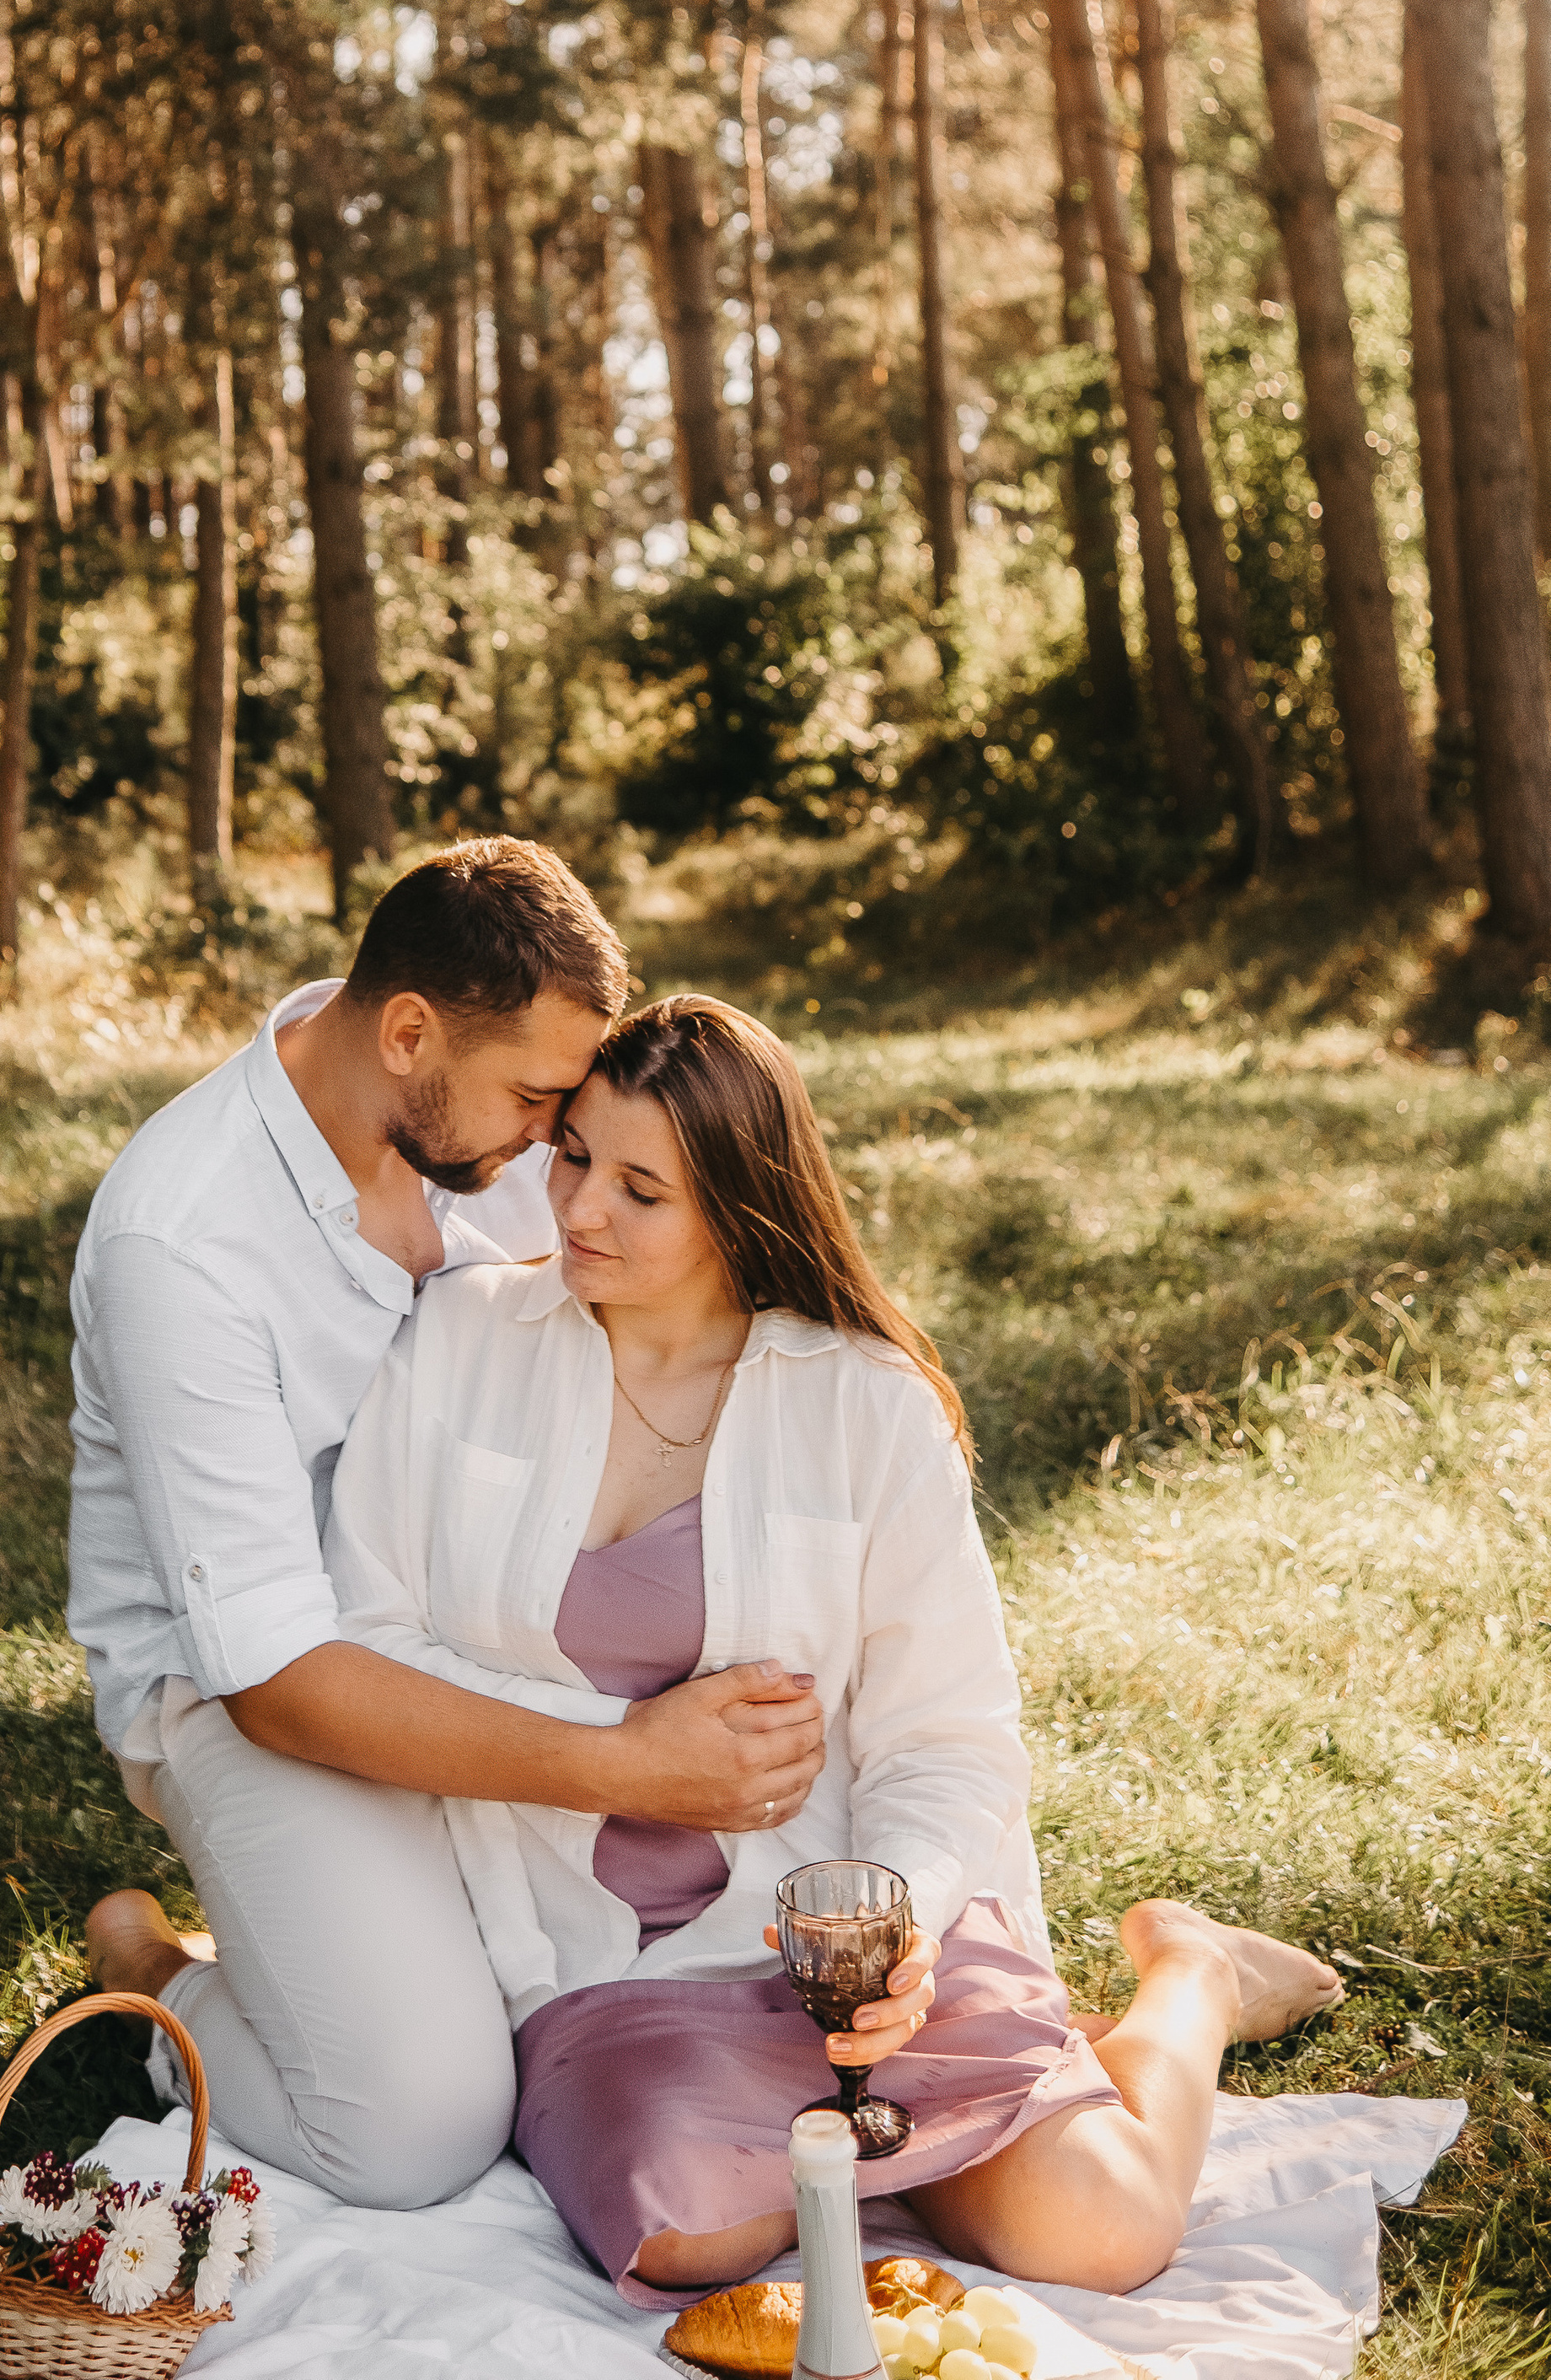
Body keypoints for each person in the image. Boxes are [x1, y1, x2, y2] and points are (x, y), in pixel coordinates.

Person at [325, 992, 1344, 2303]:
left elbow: (950, 1739)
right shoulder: (463, 1342)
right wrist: (624, 1753)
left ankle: (1192, 1974)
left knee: (1102, 2237)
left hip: (841, 1929)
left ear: (740, 1209)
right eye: (575, 1155)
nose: (578, 1211)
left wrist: (904, 1922)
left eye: (643, 1189)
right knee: (693, 2243)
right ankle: (922, 2154)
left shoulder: (867, 1405)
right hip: (604, 1964)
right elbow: (366, 1636)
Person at [67, 845, 829, 2211]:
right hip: (257, 1692)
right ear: (408, 1031)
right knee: (421, 2128)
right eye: (539, 1098)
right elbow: (276, 1682)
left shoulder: (474, 1136)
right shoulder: (179, 1244)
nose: (559, 1146)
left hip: (471, 1623)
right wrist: (631, 1763)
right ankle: (159, 1983)